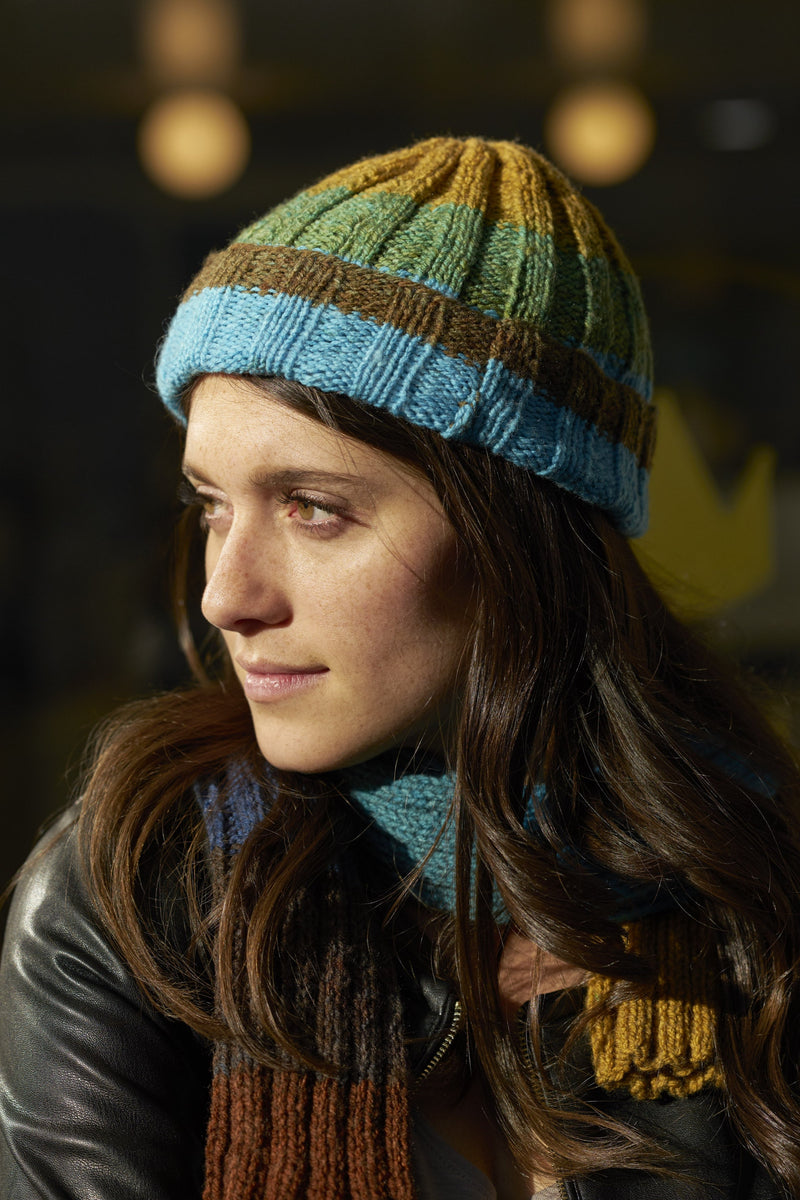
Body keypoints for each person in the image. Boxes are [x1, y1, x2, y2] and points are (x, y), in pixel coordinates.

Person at [1, 136, 799, 1200]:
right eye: (211, 505)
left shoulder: (744, 903)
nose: (225, 596)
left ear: (521, 537)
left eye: (313, 509)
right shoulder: (140, 891)